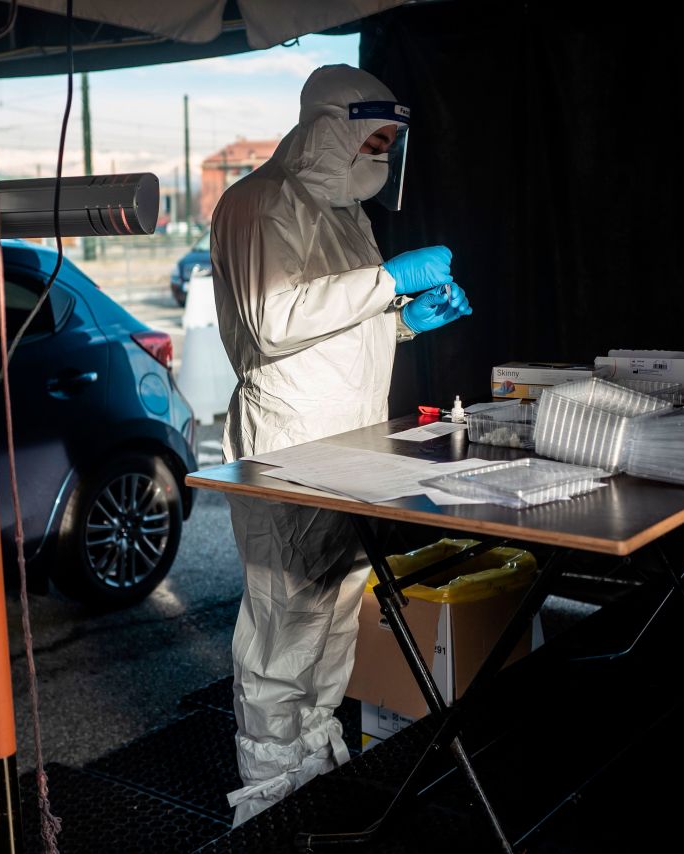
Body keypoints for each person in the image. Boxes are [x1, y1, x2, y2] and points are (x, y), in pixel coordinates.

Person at [211, 64, 472, 824]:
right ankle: (265, 791)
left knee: (335, 611)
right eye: (372, 138)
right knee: (282, 617)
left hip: (351, 436)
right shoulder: (257, 204)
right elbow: (275, 322)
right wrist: (388, 283)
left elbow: (338, 323)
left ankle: (312, 759)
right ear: (330, 127)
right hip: (288, 439)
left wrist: (402, 322)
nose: (381, 154)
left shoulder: (348, 212)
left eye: (390, 142)